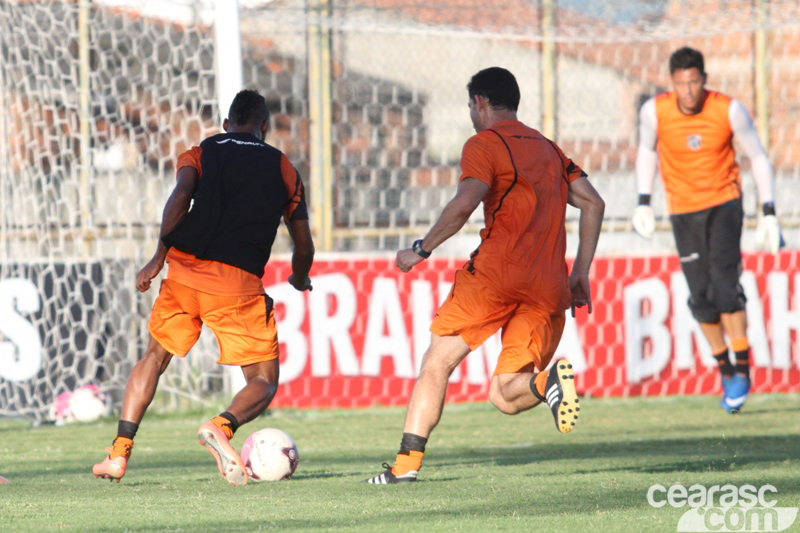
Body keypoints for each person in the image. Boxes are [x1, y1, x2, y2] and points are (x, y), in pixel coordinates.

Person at [365, 67, 605, 484]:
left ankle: (405, 467)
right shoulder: (549, 149)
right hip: (548, 285)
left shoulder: (485, 143)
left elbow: (464, 204)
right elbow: (594, 203)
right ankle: (546, 383)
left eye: (470, 106)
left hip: (495, 277)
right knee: (506, 395)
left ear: (479, 102)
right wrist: (580, 271)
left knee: (437, 363)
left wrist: (421, 249)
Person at [92, 90, 314, 486]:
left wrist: (159, 257)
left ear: (227, 124)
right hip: (236, 284)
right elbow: (303, 242)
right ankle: (222, 427)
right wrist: (299, 277)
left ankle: (118, 455)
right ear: (264, 128)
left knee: (154, 358)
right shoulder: (284, 168)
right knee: (264, 380)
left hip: (183, 272)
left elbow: (180, 197)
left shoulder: (201, 150)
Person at [631, 47, 784, 414]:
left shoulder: (727, 109)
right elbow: (647, 152)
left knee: (724, 287)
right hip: (683, 211)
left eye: (694, 82)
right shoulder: (654, 112)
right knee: (699, 295)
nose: (688, 91)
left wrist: (769, 212)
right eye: (681, 83)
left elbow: (758, 156)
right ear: (671, 83)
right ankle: (727, 370)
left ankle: (743, 368)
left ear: (704, 80)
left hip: (724, 205)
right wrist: (643, 201)